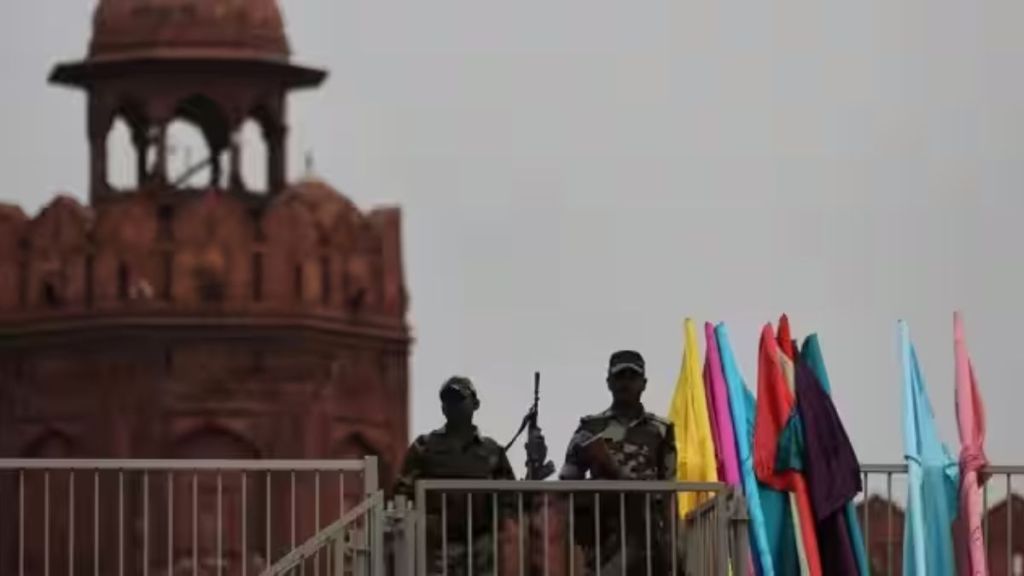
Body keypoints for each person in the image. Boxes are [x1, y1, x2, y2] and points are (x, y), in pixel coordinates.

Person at [559, 350, 677, 576]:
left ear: (643, 383)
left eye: (632, 377)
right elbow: (567, 483)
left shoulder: (660, 430)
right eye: (620, 377)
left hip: (648, 535)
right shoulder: (590, 428)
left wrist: (673, 542)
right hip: (602, 534)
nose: (626, 383)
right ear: (609, 383)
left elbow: (669, 489)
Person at [394, 376, 517, 575]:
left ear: (475, 404)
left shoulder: (492, 451)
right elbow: (401, 494)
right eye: (448, 401)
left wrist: (503, 532)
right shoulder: (424, 447)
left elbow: (511, 498)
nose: (453, 406)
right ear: (442, 408)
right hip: (437, 546)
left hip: (482, 545)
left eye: (459, 399)